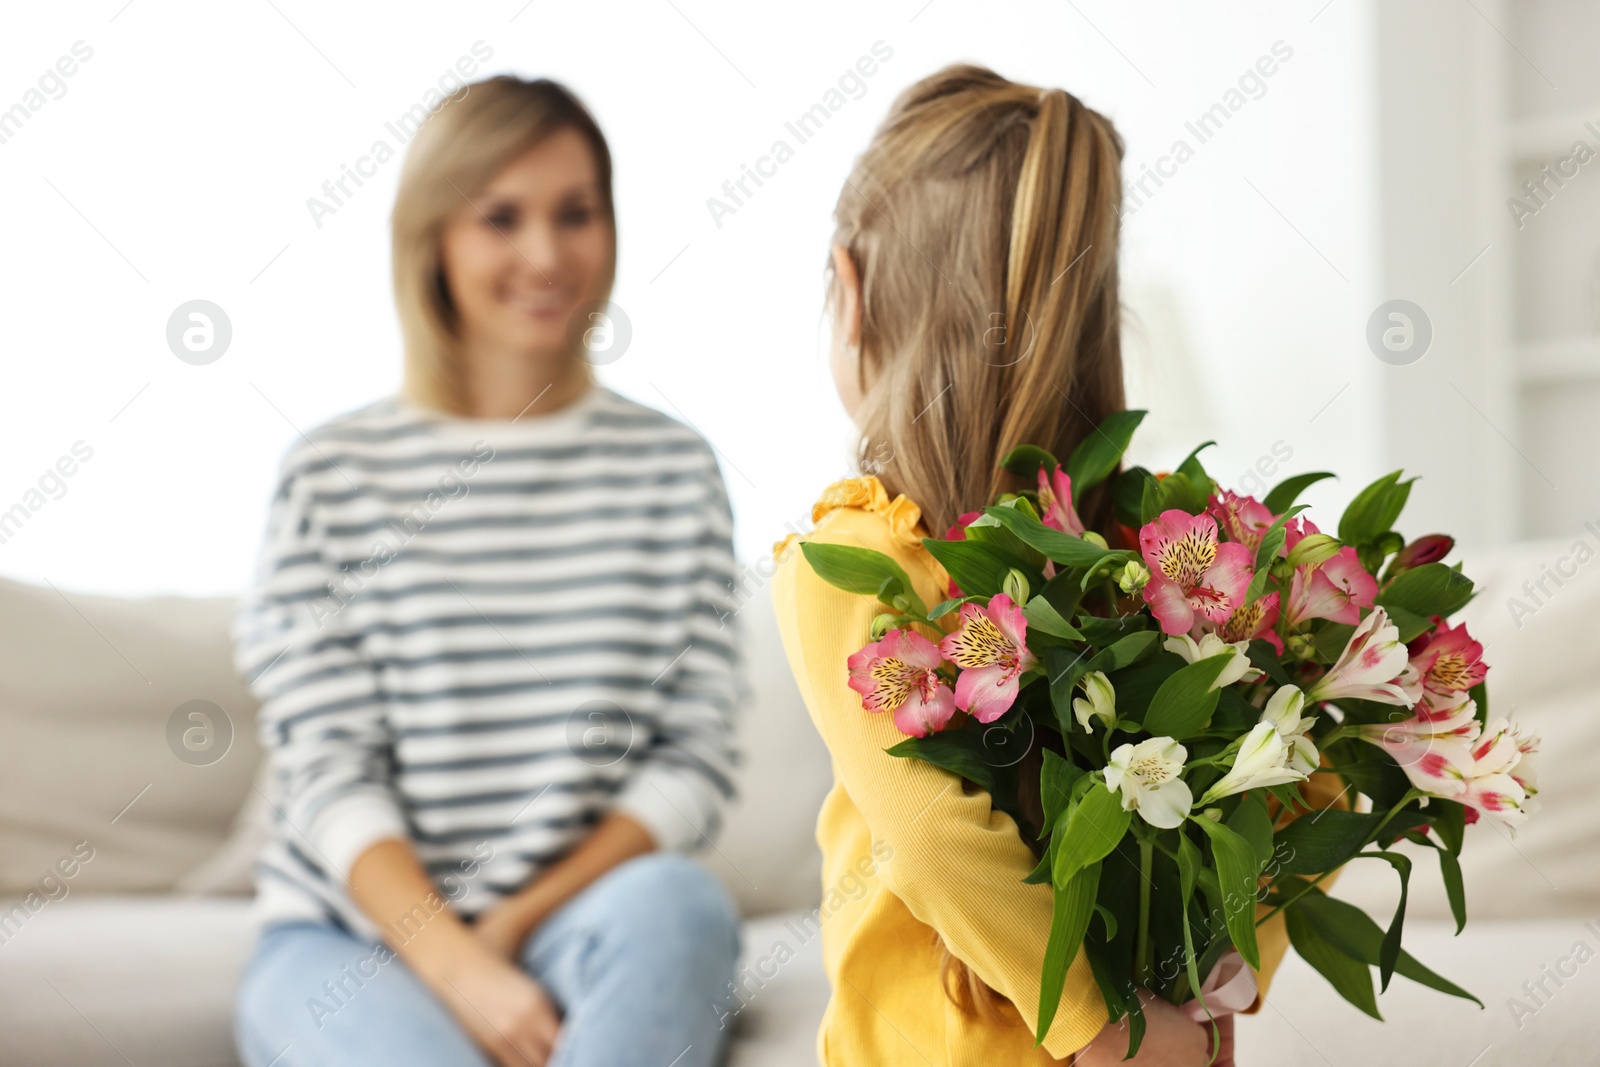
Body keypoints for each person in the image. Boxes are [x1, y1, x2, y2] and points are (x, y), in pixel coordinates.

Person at [770, 64, 1342, 1066]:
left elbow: (926, 830)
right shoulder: (1171, 551)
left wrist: (1094, 1027)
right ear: (1096, 318)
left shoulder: (854, 563)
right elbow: (1312, 776)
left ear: (850, 292)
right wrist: (1214, 982)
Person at [231, 75, 743, 1067]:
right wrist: (460, 965)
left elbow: (690, 759)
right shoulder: (331, 476)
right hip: (350, 939)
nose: (546, 254)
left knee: (683, 901)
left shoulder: (672, 468)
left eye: (575, 213)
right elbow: (329, 771)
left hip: (577, 920)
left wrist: (509, 928)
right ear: (434, 238)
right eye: (500, 217)